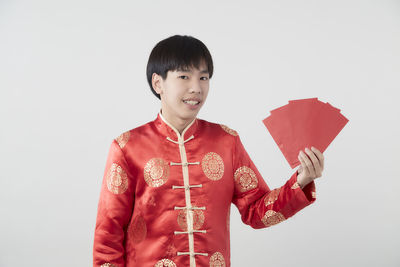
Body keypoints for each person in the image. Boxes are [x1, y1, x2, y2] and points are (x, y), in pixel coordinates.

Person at [93, 35, 324, 267]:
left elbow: (256, 211)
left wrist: (302, 180)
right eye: (184, 76)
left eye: (203, 77)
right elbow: (108, 235)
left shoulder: (226, 141)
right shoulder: (128, 146)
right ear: (158, 83)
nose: (196, 88)